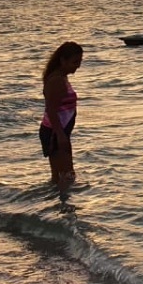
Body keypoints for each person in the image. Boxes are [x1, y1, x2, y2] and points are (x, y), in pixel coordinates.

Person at [40, 42, 83, 188]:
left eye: (80, 61)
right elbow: (51, 110)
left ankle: (57, 206)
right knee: (67, 176)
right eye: (75, 62)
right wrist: (60, 135)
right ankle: (64, 207)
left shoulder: (62, 77)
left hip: (60, 131)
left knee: (60, 178)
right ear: (62, 60)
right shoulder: (56, 80)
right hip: (54, 132)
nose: (78, 66)